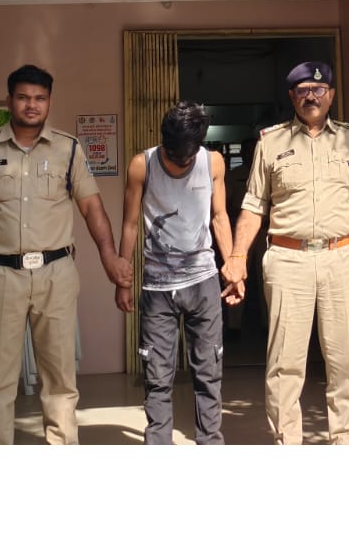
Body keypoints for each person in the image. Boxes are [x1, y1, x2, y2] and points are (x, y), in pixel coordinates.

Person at [0, 64, 133, 445]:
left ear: (49, 102)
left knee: (60, 379)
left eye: (39, 98)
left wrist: (109, 257)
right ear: (9, 100)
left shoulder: (68, 148)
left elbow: (92, 208)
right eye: (23, 97)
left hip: (55, 275)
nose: (31, 105)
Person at [225, 61, 349, 445]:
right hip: (287, 260)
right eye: (302, 90)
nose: (311, 96)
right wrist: (237, 257)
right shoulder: (271, 142)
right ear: (292, 96)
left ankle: (346, 441)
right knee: (285, 364)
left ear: (331, 95)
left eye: (318, 89)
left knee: (343, 360)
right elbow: (253, 205)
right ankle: (288, 442)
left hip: (342, 256)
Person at [119, 102, 236, 445]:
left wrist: (233, 269)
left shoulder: (213, 162)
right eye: (173, 156)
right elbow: (129, 224)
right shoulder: (142, 165)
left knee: (208, 372)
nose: (180, 164)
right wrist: (122, 279)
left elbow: (219, 217)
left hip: (204, 283)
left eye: (187, 158)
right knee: (157, 376)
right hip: (158, 288)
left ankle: (210, 444)